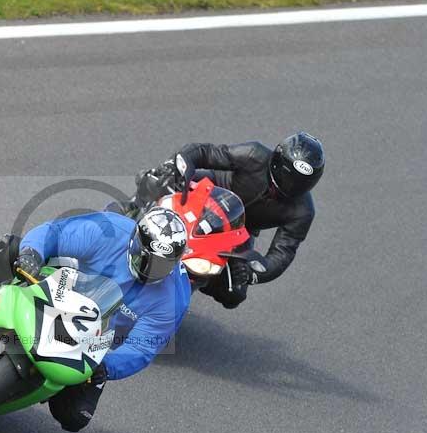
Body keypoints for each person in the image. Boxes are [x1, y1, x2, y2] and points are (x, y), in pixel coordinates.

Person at [0, 208, 191, 432]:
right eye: (148, 258)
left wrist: (107, 367)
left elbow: (141, 348)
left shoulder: (174, 299)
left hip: (93, 338)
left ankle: (22, 390)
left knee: (74, 416)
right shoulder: (109, 231)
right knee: (11, 247)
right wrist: (33, 254)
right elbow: (54, 233)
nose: (151, 269)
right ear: (135, 241)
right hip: (61, 287)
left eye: (162, 265)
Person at [133, 131, 325, 309]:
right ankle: (123, 215)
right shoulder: (254, 154)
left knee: (234, 293)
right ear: (276, 162)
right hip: (206, 193)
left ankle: (182, 292)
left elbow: (283, 254)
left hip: (239, 231)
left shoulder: (302, 212)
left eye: (301, 183)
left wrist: (253, 273)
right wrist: (180, 165)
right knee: (157, 181)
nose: (291, 186)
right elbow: (205, 152)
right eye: (288, 177)